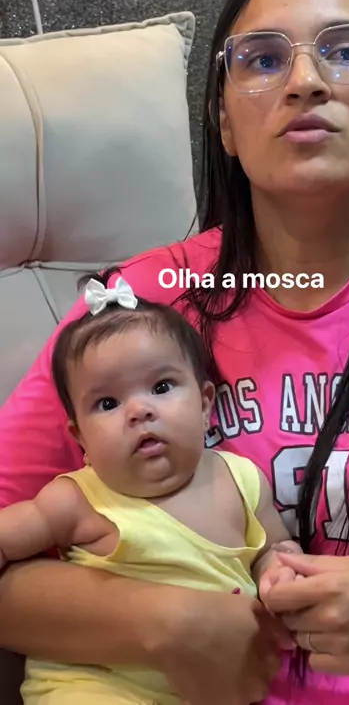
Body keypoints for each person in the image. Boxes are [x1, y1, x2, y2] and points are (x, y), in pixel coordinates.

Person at [1, 0, 349, 705]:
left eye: (347, 51)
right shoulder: (139, 307)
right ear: (224, 123)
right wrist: (157, 623)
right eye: (262, 60)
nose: (306, 80)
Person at [0, 269, 301, 704]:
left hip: (212, 687)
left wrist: (281, 571)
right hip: (98, 687)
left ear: (205, 404)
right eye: (108, 403)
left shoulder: (243, 480)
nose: (139, 410)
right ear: (80, 438)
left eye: (161, 387)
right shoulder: (77, 499)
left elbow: (273, 549)